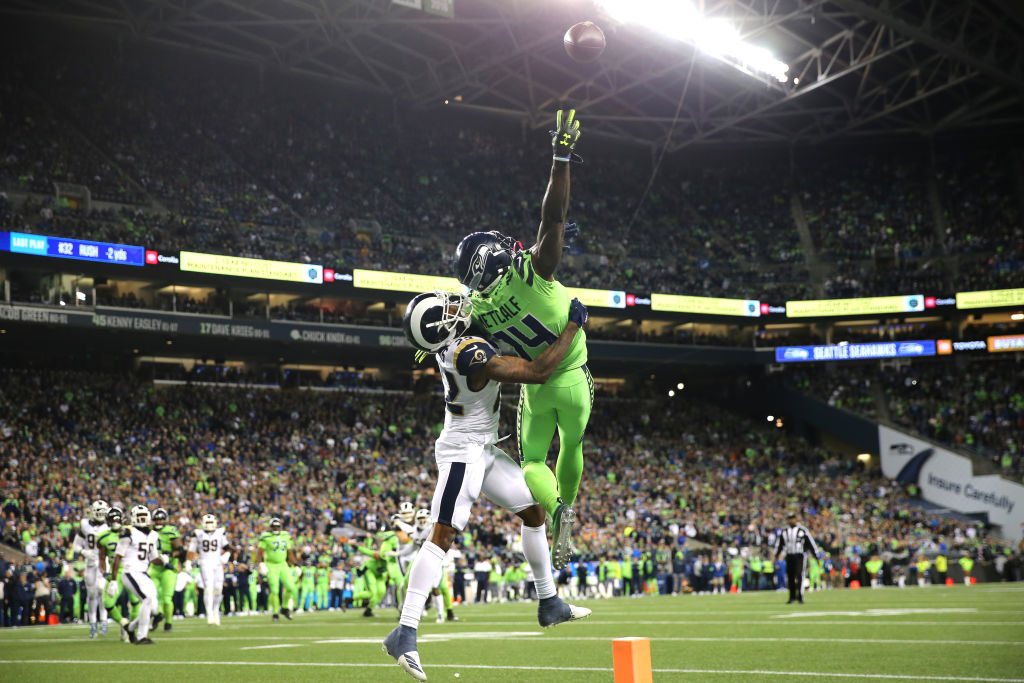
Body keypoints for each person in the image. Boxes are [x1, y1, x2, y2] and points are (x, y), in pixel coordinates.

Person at [382, 290, 592, 681]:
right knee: (441, 534)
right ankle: (404, 631)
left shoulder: (449, 343)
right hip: (462, 451)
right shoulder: (467, 353)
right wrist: (573, 327)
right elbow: (537, 372)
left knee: (534, 511)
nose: (455, 308)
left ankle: (549, 602)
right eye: (446, 310)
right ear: (438, 328)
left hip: (483, 447)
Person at [451, 109, 588, 569]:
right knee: (572, 446)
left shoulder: (481, 310)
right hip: (574, 377)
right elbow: (554, 215)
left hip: (535, 385)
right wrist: (560, 157)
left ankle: (559, 511)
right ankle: (569, 502)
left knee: (532, 462)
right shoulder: (532, 271)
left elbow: (456, 336)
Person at [109, 506, 167, 644]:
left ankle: (131, 627)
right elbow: (118, 557)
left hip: (143, 574)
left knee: (153, 607)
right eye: (139, 516)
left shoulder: (153, 535)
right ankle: (142, 636)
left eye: (144, 516)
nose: (142, 519)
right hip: (130, 571)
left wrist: (164, 560)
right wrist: (113, 580)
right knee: (147, 600)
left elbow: (153, 558)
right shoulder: (129, 532)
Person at [72, 499, 109, 638]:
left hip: (104, 562)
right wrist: (83, 552)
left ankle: (104, 620)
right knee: (92, 594)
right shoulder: (85, 524)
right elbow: (76, 545)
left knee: (101, 589)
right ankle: (93, 623)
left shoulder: (109, 525)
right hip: (90, 563)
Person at [189, 513, 232, 625]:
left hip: (217, 562)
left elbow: (227, 547)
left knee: (218, 589)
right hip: (205, 562)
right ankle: (209, 614)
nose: (208, 525)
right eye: (207, 523)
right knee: (208, 588)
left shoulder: (220, 532)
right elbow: (191, 549)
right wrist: (189, 561)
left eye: (210, 522)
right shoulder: (197, 533)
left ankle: (216, 611)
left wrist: (226, 555)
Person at [254, 517, 299, 621]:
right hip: (271, 565)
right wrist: (261, 563)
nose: (275, 528)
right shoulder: (266, 537)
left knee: (291, 587)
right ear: (270, 527)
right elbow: (259, 551)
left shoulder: (285, 536)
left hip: (283, 565)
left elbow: (289, 552)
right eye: (273, 526)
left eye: (277, 526)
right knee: (274, 590)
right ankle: (275, 613)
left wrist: (296, 564)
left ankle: (284, 607)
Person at [150, 508, 184, 632]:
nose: (159, 521)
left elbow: (180, 550)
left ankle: (168, 623)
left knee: (166, 598)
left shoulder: (171, 531)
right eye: (157, 519)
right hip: (154, 567)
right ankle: (158, 614)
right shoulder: (148, 532)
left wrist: (169, 556)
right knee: (150, 595)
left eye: (161, 519)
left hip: (168, 569)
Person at [774, 512, 820, 604]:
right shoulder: (784, 531)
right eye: (790, 518)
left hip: (800, 556)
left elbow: (810, 544)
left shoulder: (802, 530)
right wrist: (776, 556)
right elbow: (780, 545)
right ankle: (792, 597)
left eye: (793, 518)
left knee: (799, 575)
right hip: (789, 555)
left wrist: (816, 556)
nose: (791, 520)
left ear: (796, 519)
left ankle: (800, 597)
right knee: (790, 577)